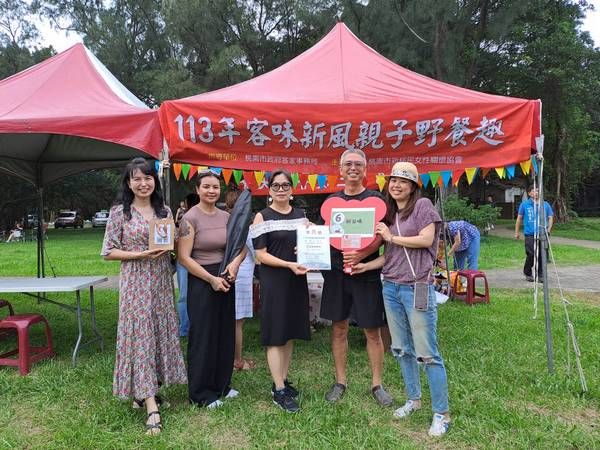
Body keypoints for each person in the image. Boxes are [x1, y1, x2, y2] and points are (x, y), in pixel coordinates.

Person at [353, 161, 451, 437]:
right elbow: (391, 255)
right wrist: (366, 265)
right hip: (391, 287)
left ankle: (441, 413)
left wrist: (391, 236)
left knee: (427, 352)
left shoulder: (423, 207)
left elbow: (424, 239)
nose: (396, 185)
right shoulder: (390, 213)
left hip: (417, 287)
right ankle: (413, 399)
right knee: (401, 348)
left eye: (403, 181)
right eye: (393, 180)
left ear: (413, 186)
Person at [101, 157, 187, 436]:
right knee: (141, 337)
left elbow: (171, 247)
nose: (143, 183)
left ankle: (145, 390)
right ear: (128, 183)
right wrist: (140, 255)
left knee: (158, 334)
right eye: (136, 178)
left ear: (155, 181)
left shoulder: (164, 211)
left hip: (161, 282)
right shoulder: (119, 214)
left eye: (147, 178)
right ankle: (151, 405)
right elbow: (108, 251)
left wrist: (175, 242)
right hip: (135, 284)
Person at [320, 148, 393, 407]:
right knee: (338, 328)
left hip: (366, 273)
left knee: (372, 329)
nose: (353, 168)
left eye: (358, 164)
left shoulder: (377, 201)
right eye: (348, 164)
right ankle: (340, 381)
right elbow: (324, 237)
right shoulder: (330, 202)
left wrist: (362, 255)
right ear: (340, 169)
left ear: (365, 169)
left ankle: (377, 384)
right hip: (336, 273)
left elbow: (383, 238)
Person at [178, 170, 246, 409]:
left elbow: (241, 246)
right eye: (206, 186)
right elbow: (184, 258)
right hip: (202, 279)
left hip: (226, 276)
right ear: (197, 190)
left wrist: (234, 266)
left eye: (215, 187)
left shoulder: (226, 216)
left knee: (224, 332)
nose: (211, 191)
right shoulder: (190, 218)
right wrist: (210, 279)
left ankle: (222, 385)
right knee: (204, 336)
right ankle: (201, 392)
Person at [251, 170, 310, 413]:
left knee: (290, 330)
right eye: (276, 185)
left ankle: (284, 380)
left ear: (292, 189)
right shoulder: (261, 217)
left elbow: (310, 243)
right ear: (269, 189)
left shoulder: (301, 216)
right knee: (276, 333)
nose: (281, 189)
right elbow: (260, 254)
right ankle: (278, 389)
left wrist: (306, 247)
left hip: (297, 280)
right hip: (275, 279)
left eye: (286, 185)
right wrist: (288, 263)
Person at [224, 189, 257, 372]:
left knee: (229, 320)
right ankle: (237, 360)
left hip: (227, 274)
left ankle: (229, 357)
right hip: (242, 277)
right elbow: (257, 255)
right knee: (237, 323)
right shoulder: (247, 228)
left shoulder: (225, 222)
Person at [514, 186, 554, 282]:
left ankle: (540, 275)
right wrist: (516, 232)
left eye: (538, 191)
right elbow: (519, 218)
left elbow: (550, 217)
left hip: (542, 233)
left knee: (542, 254)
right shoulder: (524, 205)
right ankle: (527, 272)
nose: (536, 192)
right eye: (534, 191)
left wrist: (548, 229)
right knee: (531, 254)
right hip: (530, 233)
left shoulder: (545, 204)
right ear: (529, 193)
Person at [175, 193, 199, 337]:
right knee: (185, 294)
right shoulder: (185, 219)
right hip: (186, 261)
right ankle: (186, 327)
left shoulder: (187, 218)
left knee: (184, 294)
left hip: (191, 261)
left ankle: (185, 328)